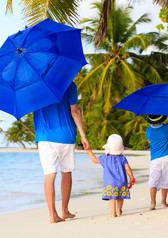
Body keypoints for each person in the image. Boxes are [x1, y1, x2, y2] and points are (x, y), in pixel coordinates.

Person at [33, 81, 90, 223]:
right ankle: (65, 211)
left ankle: (53, 215)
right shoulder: (69, 84)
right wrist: (83, 135)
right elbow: (75, 111)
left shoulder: (36, 86)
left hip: (44, 136)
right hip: (65, 135)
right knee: (66, 173)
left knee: (49, 175)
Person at [86, 134, 135, 218]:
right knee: (120, 197)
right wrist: (132, 178)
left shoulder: (105, 158)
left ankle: (113, 214)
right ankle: (119, 210)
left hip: (110, 183)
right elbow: (128, 168)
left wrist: (89, 151)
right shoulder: (122, 158)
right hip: (122, 181)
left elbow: (94, 160)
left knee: (112, 198)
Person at [145, 115, 168, 210]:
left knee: (153, 180)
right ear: (161, 119)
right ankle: (163, 202)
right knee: (166, 179)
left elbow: (149, 141)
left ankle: (153, 203)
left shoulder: (148, 131)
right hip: (166, 157)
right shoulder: (167, 127)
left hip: (155, 159)